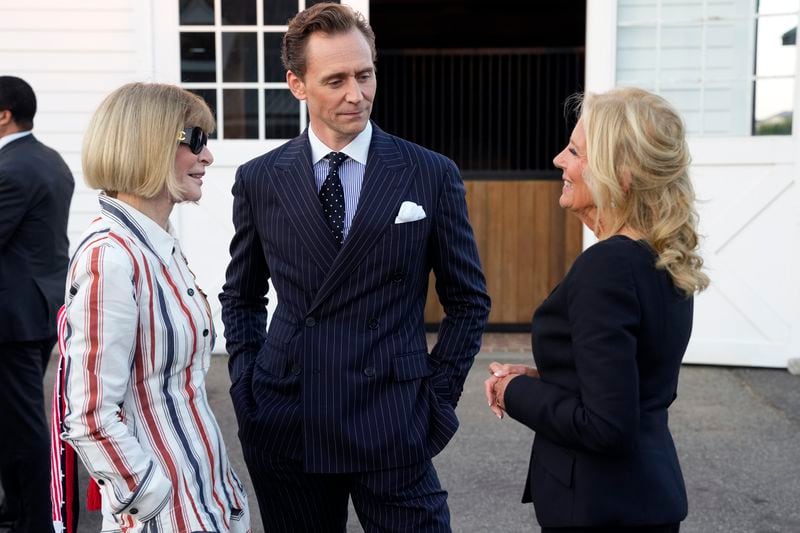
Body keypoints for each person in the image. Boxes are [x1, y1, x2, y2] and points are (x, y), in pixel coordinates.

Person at [220, 3, 490, 531]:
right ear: (297, 84)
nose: (356, 94)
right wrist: (247, 387)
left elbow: (467, 299)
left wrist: (437, 398)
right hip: (288, 416)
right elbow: (242, 296)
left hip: (392, 418)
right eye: (336, 79)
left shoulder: (429, 172)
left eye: (365, 75)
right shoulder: (261, 179)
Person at [484, 87, 710, 532]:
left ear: (620, 174)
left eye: (574, 151)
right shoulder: (660, 256)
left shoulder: (608, 266)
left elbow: (607, 425)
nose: (558, 160)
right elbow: (636, 380)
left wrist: (512, 391)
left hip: (601, 506)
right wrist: (548, 378)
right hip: (643, 497)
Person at [59, 82, 250, 532]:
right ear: (149, 142)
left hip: (207, 500)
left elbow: (177, 389)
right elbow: (89, 415)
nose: (207, 157)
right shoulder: (112, 255)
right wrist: (151, 499)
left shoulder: (157, 245)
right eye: (196, 140)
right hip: (168, 517)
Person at [0, 75, 74, 532]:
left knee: (22, 427)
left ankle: (33, 521)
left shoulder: (11, 169)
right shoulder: (48, 159)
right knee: (13, 421)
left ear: (4, 114)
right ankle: (17, 510)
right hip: (38, 309)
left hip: (13, 319)